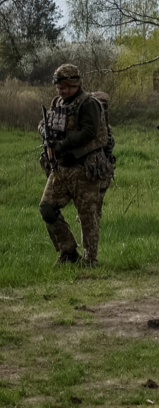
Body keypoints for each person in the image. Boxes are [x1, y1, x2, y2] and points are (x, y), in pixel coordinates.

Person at [38, 63, 115, 267]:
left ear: (74, 84)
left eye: (63, 87)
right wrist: (45, 133)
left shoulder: (89, 103)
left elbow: (89, 132)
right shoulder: (58, 102)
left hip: (85, 167)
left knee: (87, 216)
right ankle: (69, 252)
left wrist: (62, 145)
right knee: (47, 208)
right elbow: (44, 123)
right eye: (58, 88)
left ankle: (90, 260)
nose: (60, 92)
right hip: (61, 168)